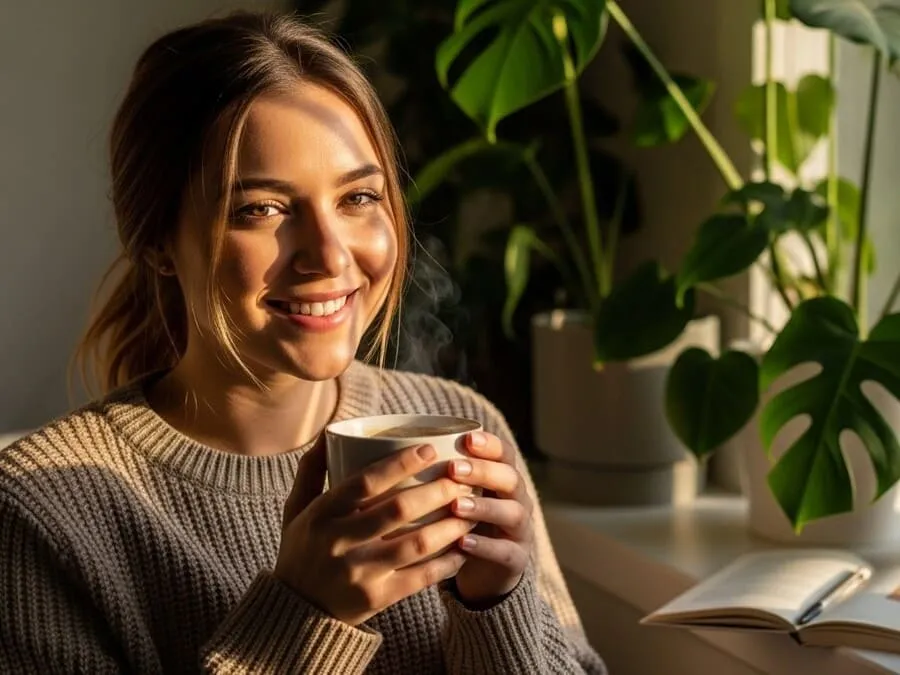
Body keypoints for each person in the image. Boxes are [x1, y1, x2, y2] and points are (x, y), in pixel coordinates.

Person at [0, 11, 605, 674]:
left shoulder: (469, 429)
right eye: (261, 208)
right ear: (156, 242)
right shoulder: (43, 512)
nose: (328, 254)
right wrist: (304, 615)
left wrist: (499, 605)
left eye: (358, 197)